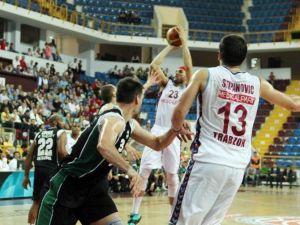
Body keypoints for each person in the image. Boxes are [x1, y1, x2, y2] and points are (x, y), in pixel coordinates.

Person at [169, 34, 300, 225]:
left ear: (219, 54)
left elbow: (178, 112)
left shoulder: (205, 75)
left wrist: (176, 128)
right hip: (237, 166)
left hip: (208, 160)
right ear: (243, 58)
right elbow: (292, 105)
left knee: (183, 221)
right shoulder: (258, 83)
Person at [36, 77, 192, 225]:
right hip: (67, 186)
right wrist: (130, 170)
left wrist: (175, 129)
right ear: (137, 99)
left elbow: (157, 143)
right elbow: (104, 146)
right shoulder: (113, 117)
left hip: (92, 189)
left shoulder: (130, 124)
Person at [129, 26, 192, 225]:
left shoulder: (190, 87)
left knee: (172, 176)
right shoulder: (167, 85)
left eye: (181, 71)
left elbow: (189, 67)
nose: (179, 72)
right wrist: (170, 46)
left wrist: (184, 44)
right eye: (177, 71)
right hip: (157, 129)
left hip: (173, 133)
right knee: (144, 171)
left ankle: (173, 217)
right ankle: (134, 213)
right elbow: (154, 65)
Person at [22, 114, 68, 225]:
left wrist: (26, 176)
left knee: (36, 201)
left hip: (39, 169)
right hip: (52, 169)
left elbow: (29, 155)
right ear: (56, 122)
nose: (64, 123)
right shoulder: (61, 132)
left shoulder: (39, 134)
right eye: (62, 121)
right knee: (58, 201)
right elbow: (62, 152)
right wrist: (69, 164)